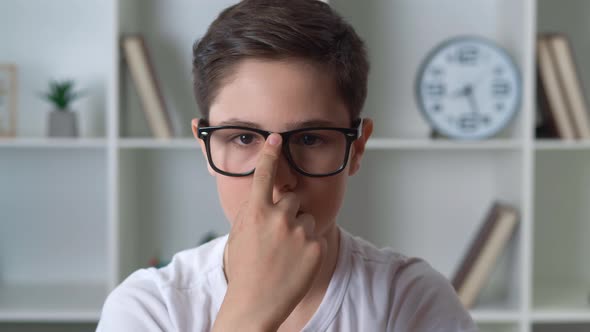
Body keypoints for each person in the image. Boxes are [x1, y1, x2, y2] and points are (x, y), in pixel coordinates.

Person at [96, 0, 477, 331]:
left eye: (310, 139)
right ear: (204, 146)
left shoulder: (410, 299)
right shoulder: (149, 309)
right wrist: (250, 310)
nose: (278, 180)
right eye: (244, 138)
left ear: (357, 147)